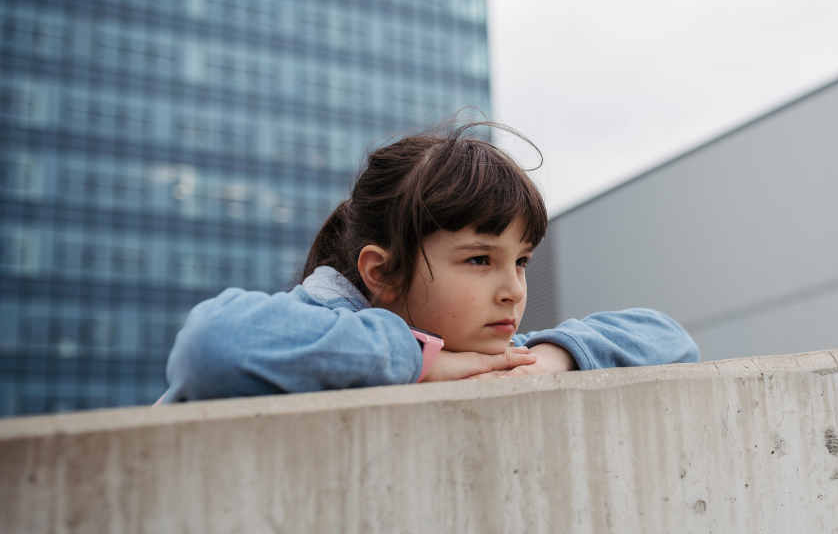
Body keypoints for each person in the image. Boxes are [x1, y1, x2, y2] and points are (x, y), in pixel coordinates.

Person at [158, 122, 698, 403]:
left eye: (523, 261)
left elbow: (671, 340)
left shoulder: (477, 347)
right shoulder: (323, 328)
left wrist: (547, 359)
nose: (512, 289)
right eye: (481, 259)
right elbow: (211, 346)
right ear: (381, 273)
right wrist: (419, 362)